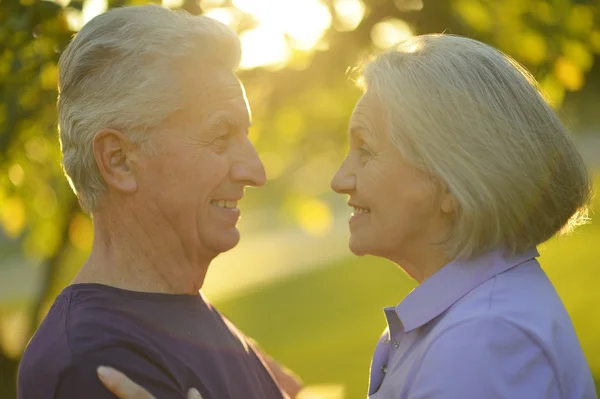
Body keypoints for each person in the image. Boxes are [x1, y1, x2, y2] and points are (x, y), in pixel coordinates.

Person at [17, 5, 301, 399]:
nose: (256, 171)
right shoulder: (93, 364)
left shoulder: (183, 311)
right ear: (119, 161)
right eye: (221, 136)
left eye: (245, 136)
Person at [330, 34, 596, 398]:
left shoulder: (481, 341)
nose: (339, 180)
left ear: (450, 181)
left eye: (366, 150)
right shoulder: (474, 322)